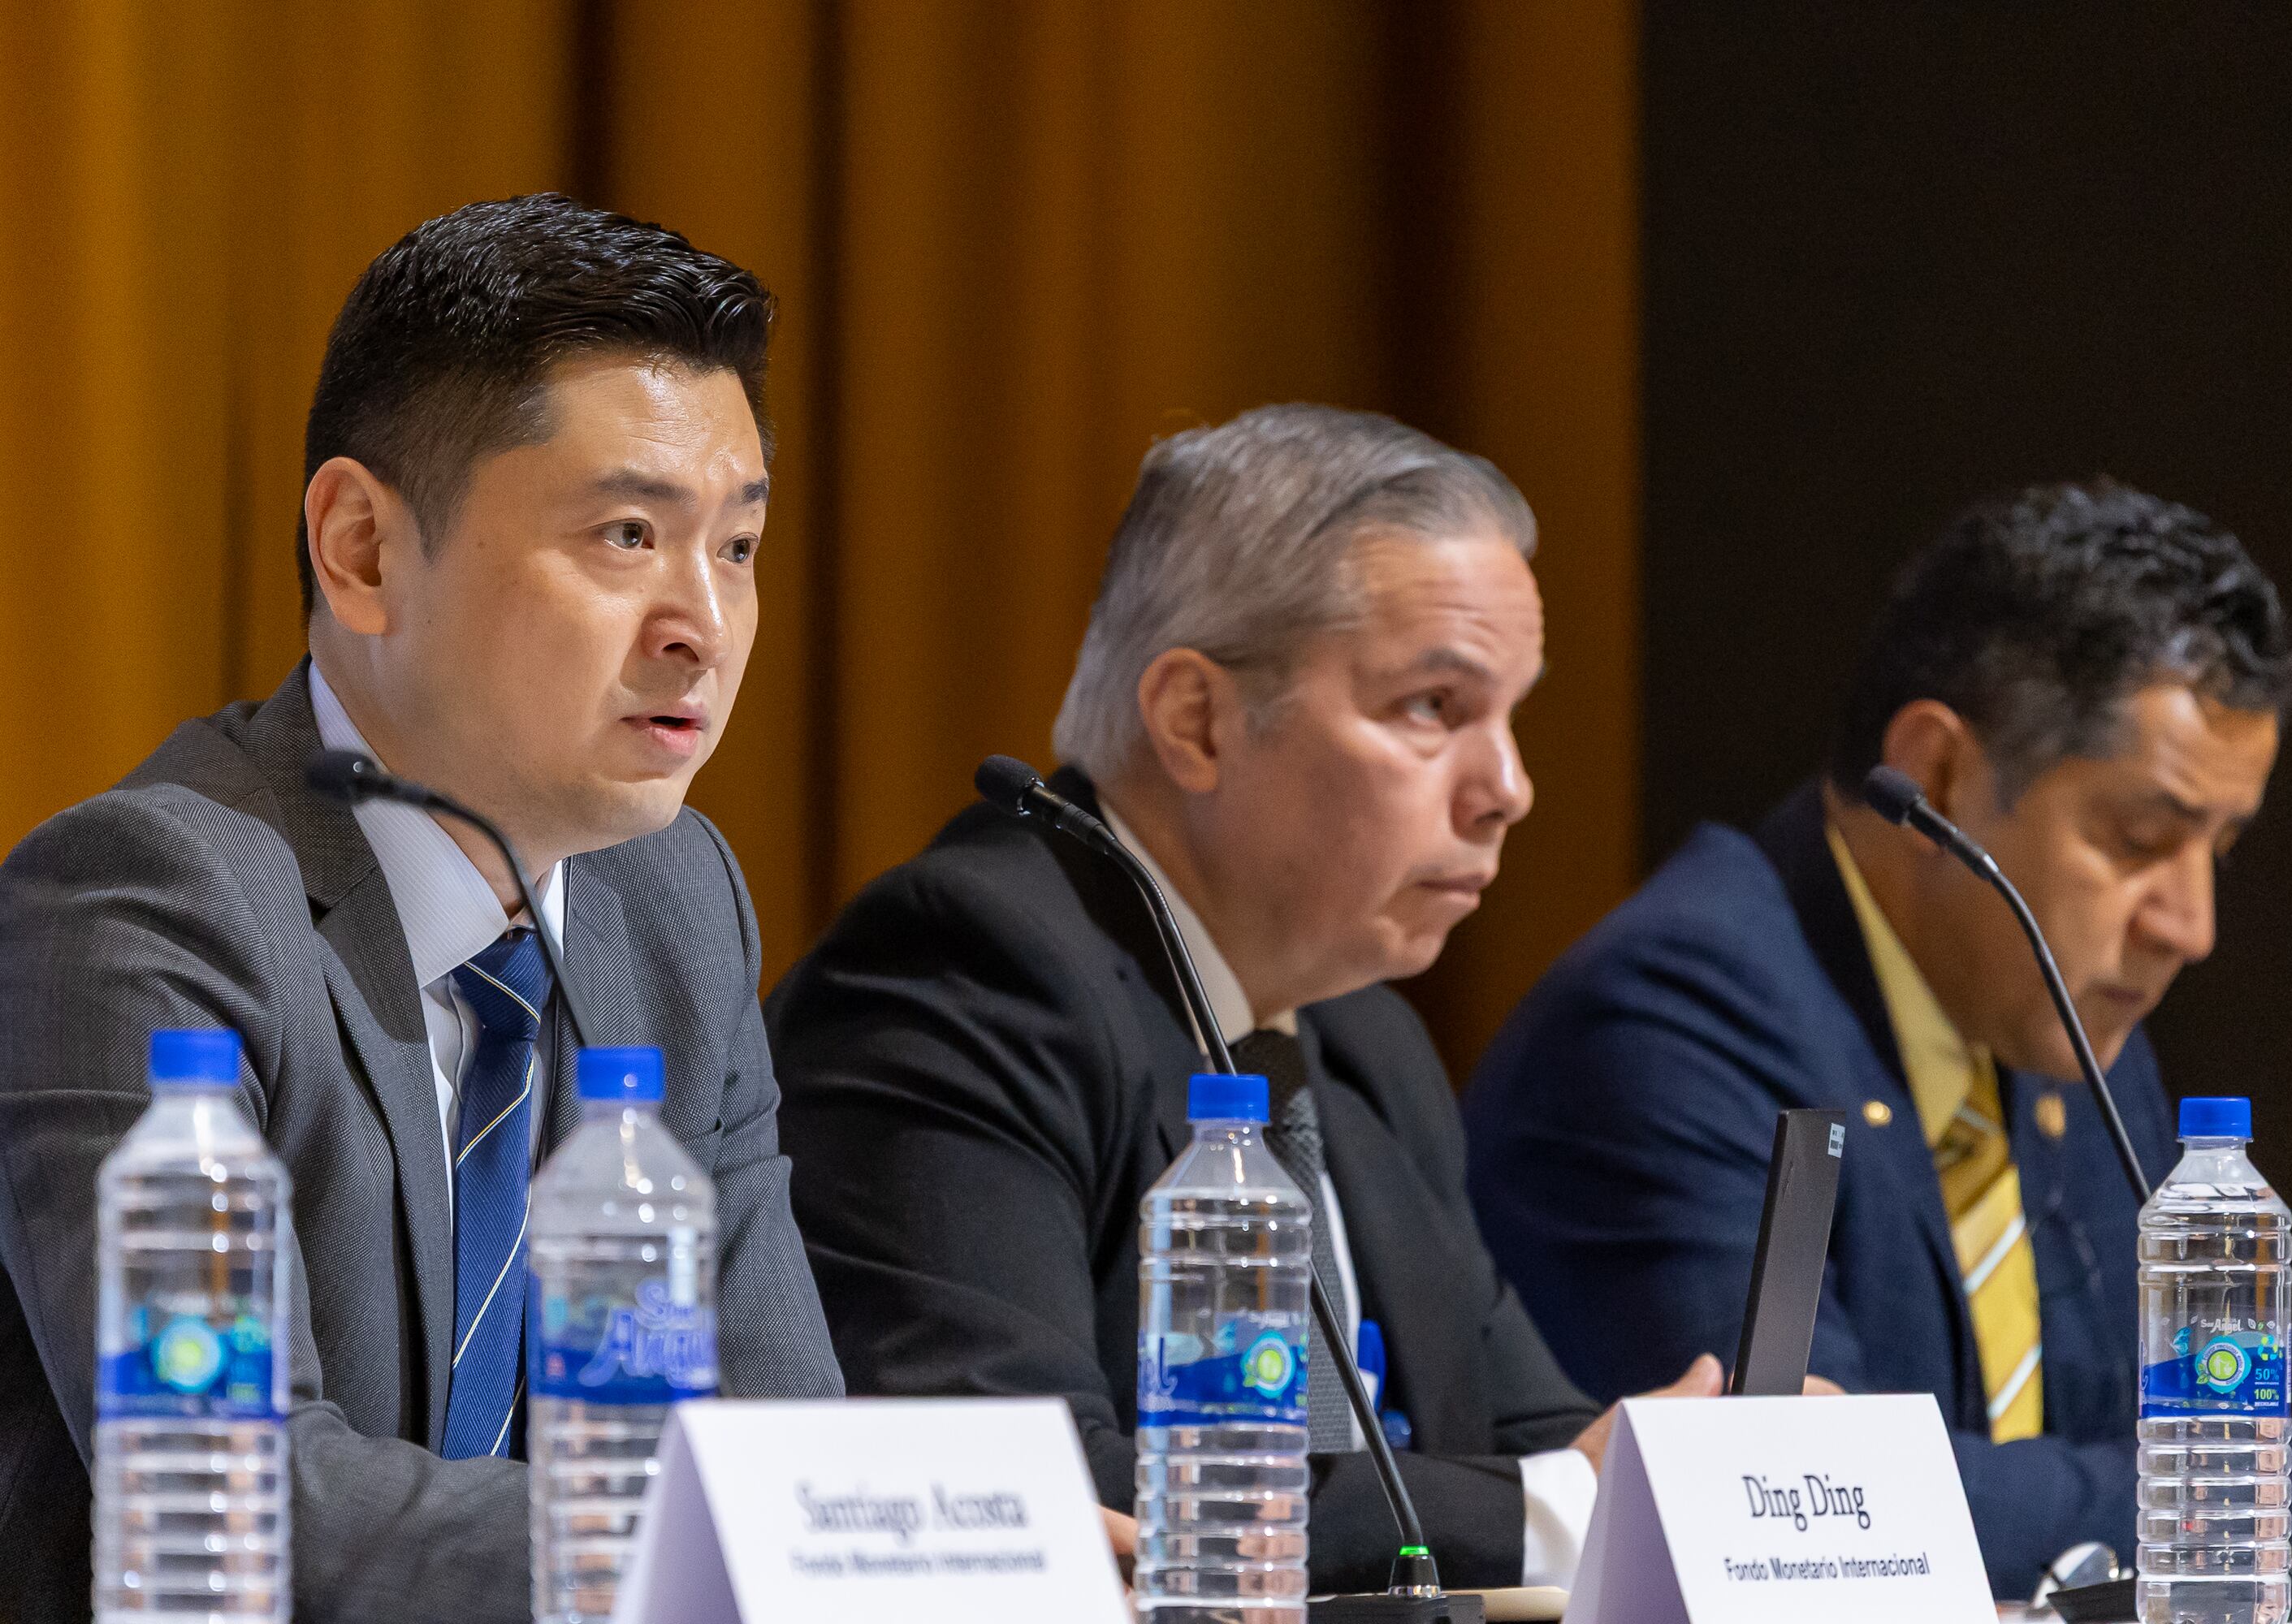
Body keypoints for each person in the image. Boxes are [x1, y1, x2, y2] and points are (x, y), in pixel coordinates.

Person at [0, 194, 843, 1623]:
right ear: (365, 552)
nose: (702, 620)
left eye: (740, 547)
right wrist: (760, 1541)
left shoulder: (677, 905)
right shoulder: (148, 903)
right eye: (630, 533)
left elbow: (778, 1440)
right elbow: (242, 1496)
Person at [767, 404, 1728, 1594]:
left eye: (1511, 714)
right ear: (1197, 721)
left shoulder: (1362, 1036)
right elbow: (1021, 1486)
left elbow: (1524, 1442)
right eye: (1434, 707)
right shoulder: (963, 973)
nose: (1509, 790)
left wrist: (1708, 1470)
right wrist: (1569, 1507)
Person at [1464, 479, 2292, 1598]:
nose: (2190, 925)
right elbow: (1801, 1503)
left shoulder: (2061, 1023)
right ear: (1935, 776)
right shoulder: (1667, 1020)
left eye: (2216, 851)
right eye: (2137, 839)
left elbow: (2139, 1438)